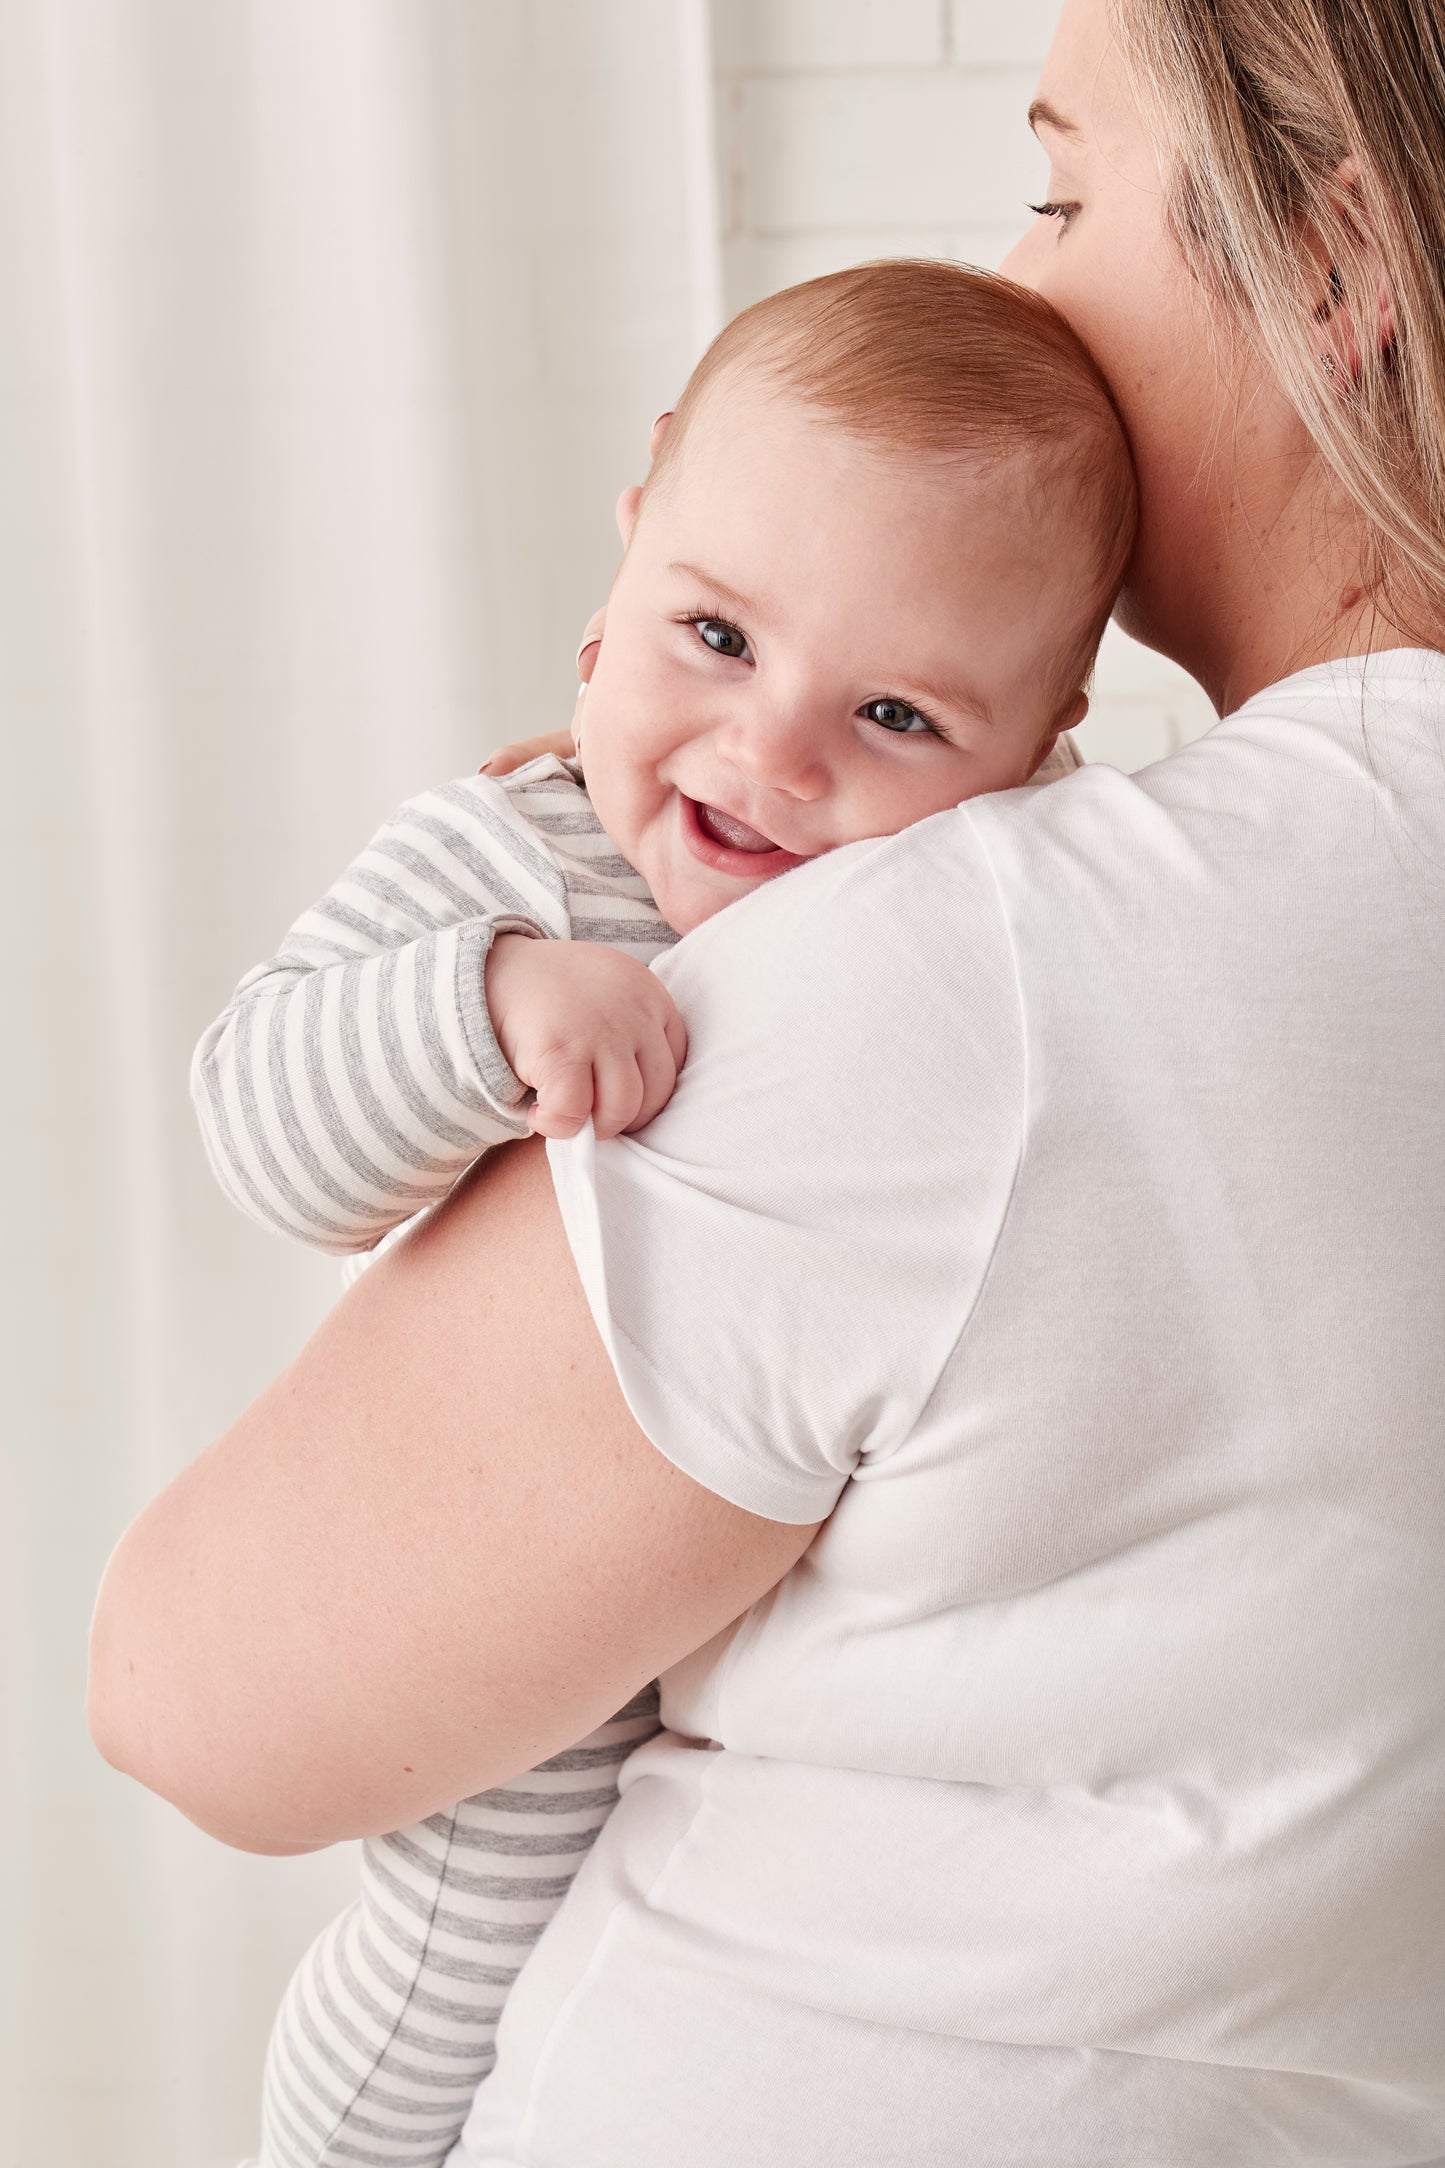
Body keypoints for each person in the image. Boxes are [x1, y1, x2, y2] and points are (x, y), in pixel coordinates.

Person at [89, 0, 1445, 2161]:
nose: (1025, 281)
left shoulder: (984, 960)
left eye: (1067, 189)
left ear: (1341, 260)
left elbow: (195, 1691)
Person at [191, 259, 1132, 2168]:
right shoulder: (511, 856)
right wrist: (478, 1007)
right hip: (513, 1619)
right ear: (624, 564)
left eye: (894, 712)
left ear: (1039, 751)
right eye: (713, 635)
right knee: (439, 2000)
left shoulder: (983, 918)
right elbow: (258, 1122)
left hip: (770, 1656)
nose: (775, 755)